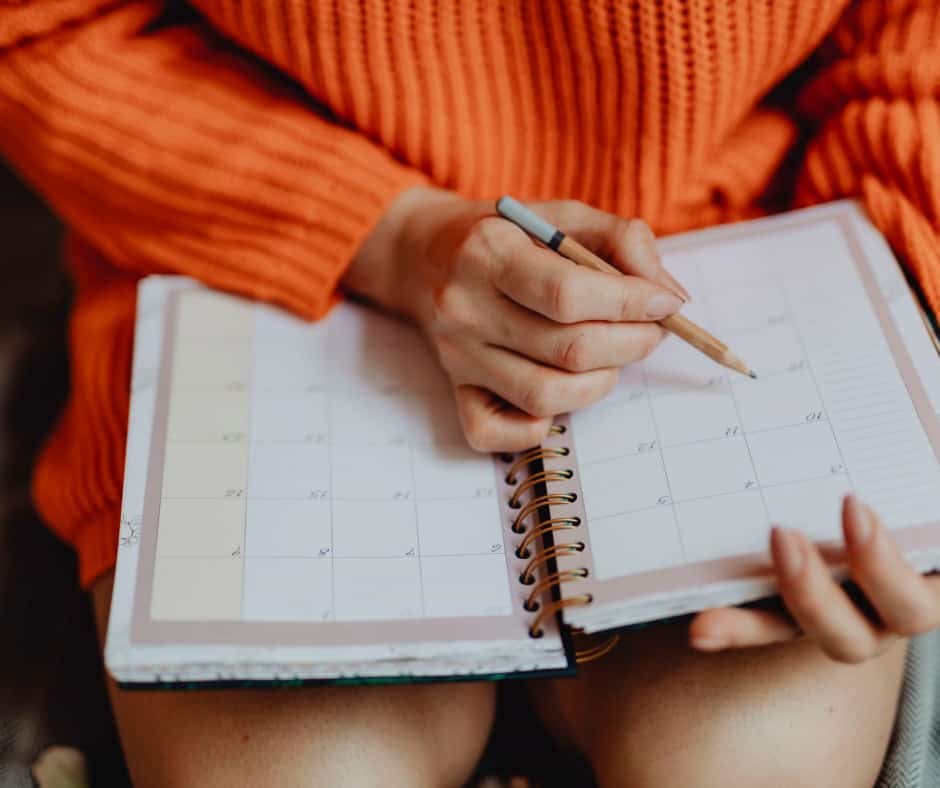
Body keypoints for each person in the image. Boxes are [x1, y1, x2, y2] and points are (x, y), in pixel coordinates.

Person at [2, 1, 939, 785]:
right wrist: (393, 235)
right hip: (255, 258)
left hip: (746, 245)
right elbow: (35, 34)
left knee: (751, 766)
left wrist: (895, 397)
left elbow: (918, 56)